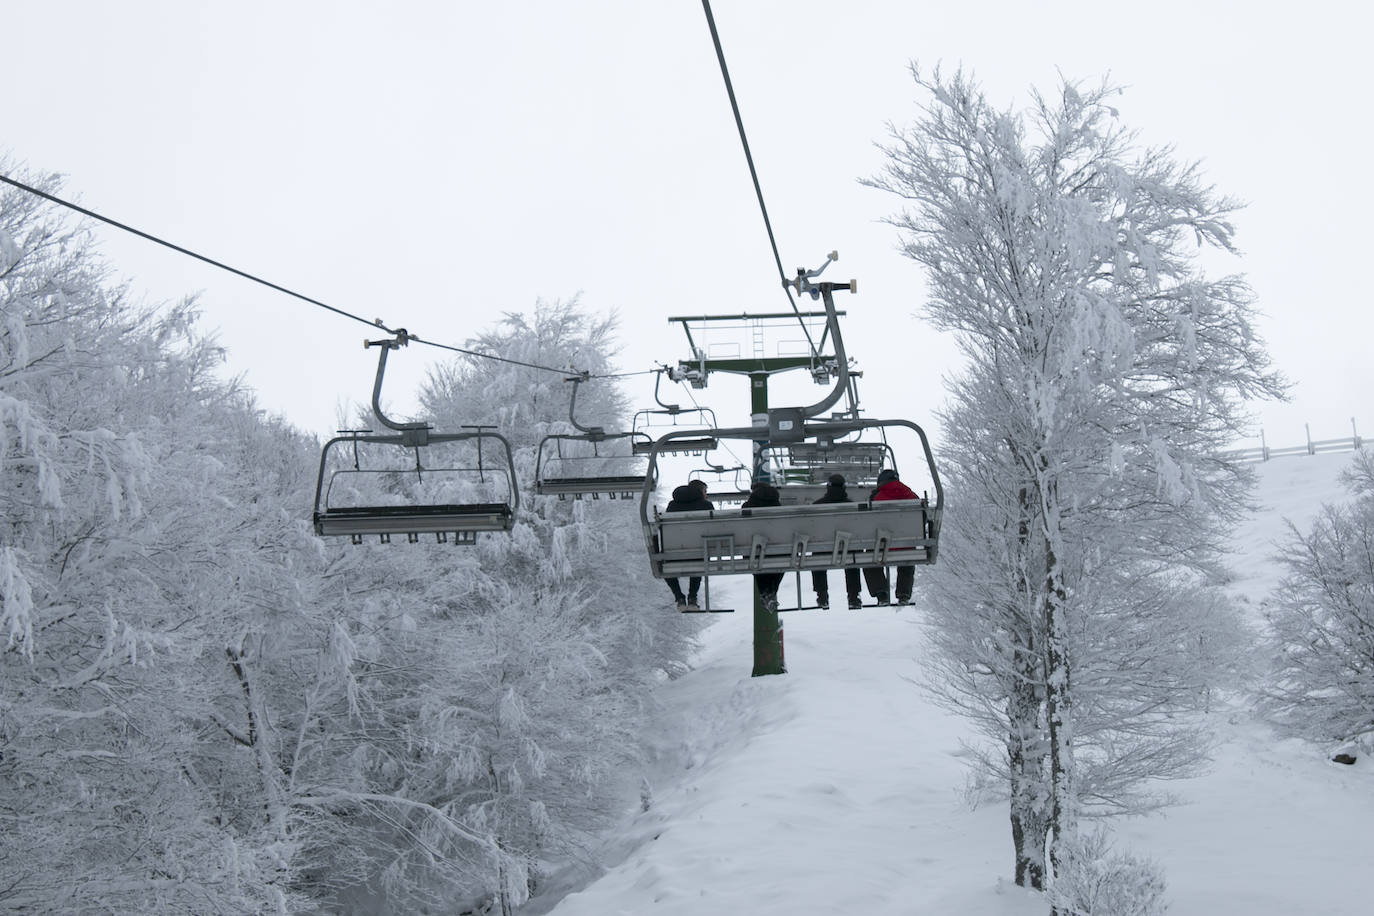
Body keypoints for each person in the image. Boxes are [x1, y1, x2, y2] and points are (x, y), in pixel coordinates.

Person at [863, 468, 920, 606]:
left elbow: (869, 522)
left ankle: (881, 593)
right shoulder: (912, 496)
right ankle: (903, 594)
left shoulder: (876, 497)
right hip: (906, 545)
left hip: (882, 546)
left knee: (869, 560)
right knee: (907, 557)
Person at [811, 474, 864, 609]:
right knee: (852, 556)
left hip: (823, 549)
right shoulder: (852, 506)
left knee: (817, 558)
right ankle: (853, 596)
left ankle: (822, 595)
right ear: (844, 487)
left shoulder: (816, 506)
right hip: (848, 548)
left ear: (828, 487)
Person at [664, 478, 712, 609]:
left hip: (673, 551)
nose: (706, 494)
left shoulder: (672, 506)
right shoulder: (706, 506)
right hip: (700, 552)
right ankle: (692, 597)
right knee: (699, 562)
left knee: (665, 567)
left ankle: (679, 596)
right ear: (700, 491)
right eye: (705, 491)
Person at [741, 481, 784, 610]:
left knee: (757, 564)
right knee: (781, 563)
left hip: (754, 551)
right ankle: (770, 593)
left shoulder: (747, 507)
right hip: (780, 551)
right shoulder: (779, 507)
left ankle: (767, 593)